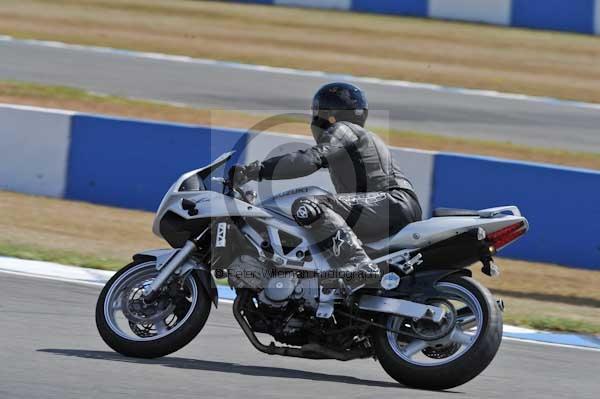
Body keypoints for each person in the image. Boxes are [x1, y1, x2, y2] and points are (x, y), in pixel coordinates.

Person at [229, 82, 422, 291]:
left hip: (392, 202)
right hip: (387, 206)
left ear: (328, 113)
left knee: (309, 205)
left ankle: (359, 263)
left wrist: (254, 171)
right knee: (313, 226)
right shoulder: (352, 142)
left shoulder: (345, 130)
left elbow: (308, 160)